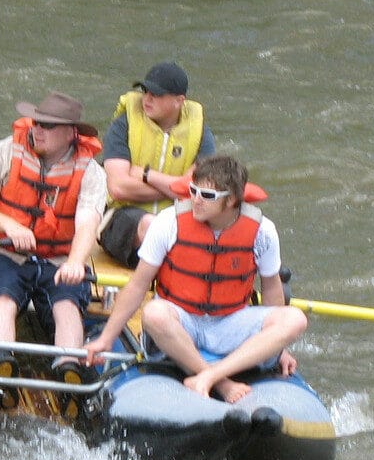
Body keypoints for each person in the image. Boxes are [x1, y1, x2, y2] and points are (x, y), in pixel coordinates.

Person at [84, 155, 305, 403]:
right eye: (193, 190)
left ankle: (209, 376)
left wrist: (279, 348)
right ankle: (219, 381)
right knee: (154, 313)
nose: (196, 200)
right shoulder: (169, 222)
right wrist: (106, 338)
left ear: (231, 200)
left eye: (207, 196)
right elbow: (138, 284)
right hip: (182, 320)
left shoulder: (262, 231)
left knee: (295, 319)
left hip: (230, 322)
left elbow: (272, 288)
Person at [0, 92, 106, 384]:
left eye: (48, 126)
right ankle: (2, 359)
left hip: (58, 257)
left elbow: (88, 221)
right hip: (5, 251)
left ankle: (68, 368)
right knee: (4, 295)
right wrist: (9, 225)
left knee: (66, 302)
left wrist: (76, 262)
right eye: (37, 122)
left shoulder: (90, 171)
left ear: (70, 133)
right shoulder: (7, 151)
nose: (38, 129)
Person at [96, 61, 217, 267]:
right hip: (121, 219)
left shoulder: (200, 133)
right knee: (152, 225)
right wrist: (177, 187)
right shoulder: (123, 125)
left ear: (179, 101)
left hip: (177, 219)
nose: (147, 99)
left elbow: (197, 189)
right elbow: (118, 188)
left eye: (157, 94)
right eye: (145, 91)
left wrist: (146, 174)